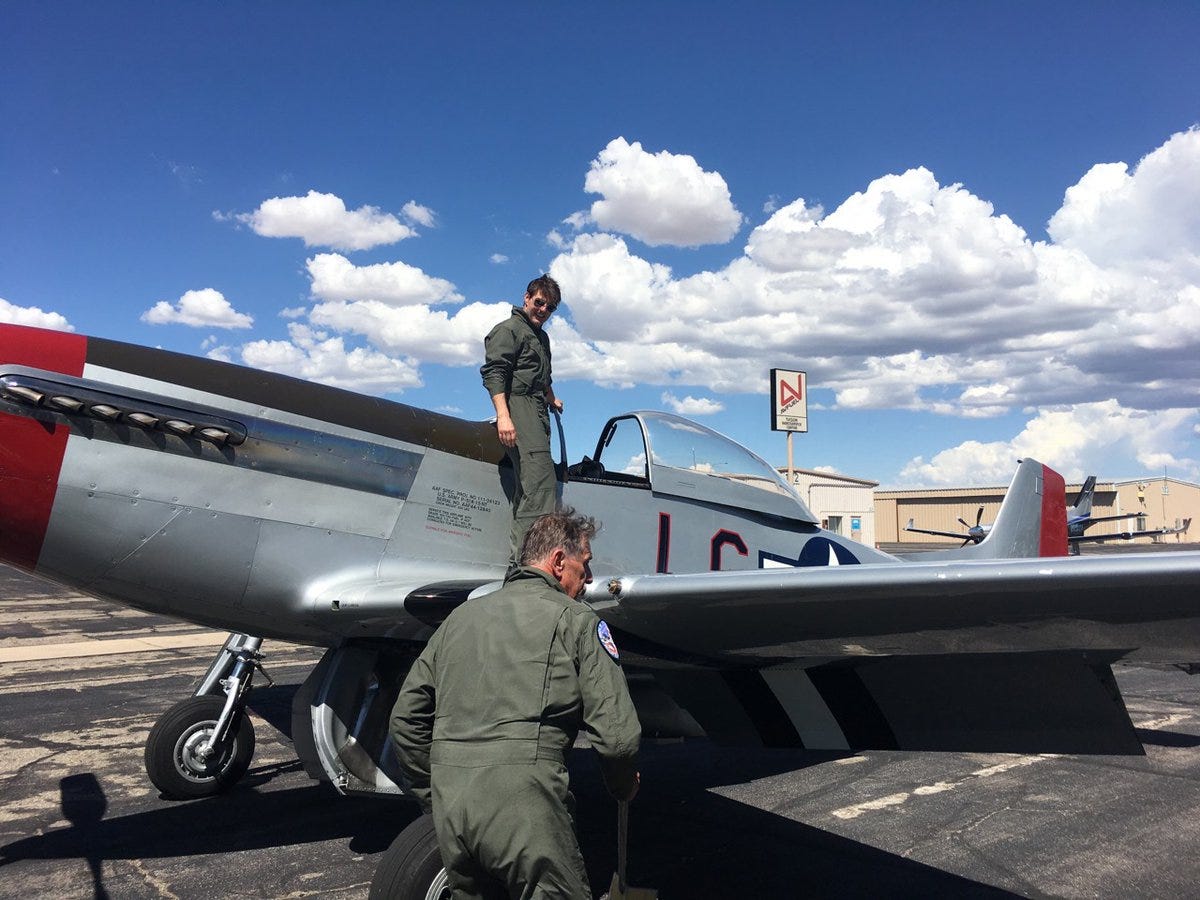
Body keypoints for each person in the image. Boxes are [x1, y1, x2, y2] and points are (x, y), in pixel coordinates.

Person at [389, 509, 641, 899]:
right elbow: (618, 738)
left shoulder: (459, 618)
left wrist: (435, 794)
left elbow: (406, 720)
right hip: (525, 809)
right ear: (558, 562)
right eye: (584, 565)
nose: (589, 580)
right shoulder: (577, 621)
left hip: (454, 809)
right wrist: (623, 786)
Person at [481, 274, 564, 563]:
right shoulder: (508, 330)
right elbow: (495, 373)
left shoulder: (541, 337)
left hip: (538, 409)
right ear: (526, 298)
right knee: (540, 487)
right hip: (519, 406)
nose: (543, 310)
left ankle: (519, 565)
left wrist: (551, 397)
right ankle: (530, 568)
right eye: (539, 302)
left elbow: (543, 375)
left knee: (528, 488)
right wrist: (504, 416)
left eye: (550, 308)